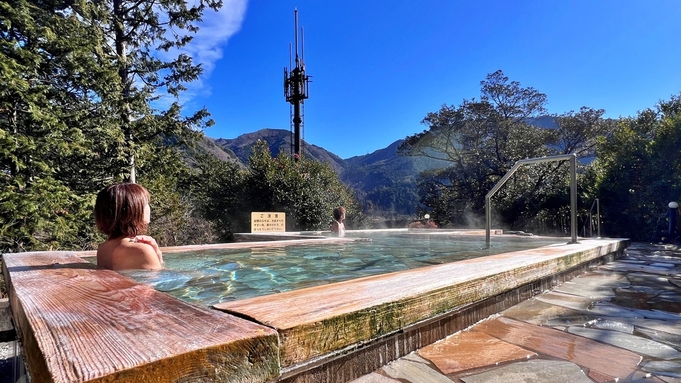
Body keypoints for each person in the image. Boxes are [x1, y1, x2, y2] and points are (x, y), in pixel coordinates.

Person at [94, 182, 164, 271]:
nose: (149, 208)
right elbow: (160, 283)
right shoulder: (142, 250)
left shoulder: (103, 249)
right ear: (133, 210)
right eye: (146, 203)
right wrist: (159, 257)